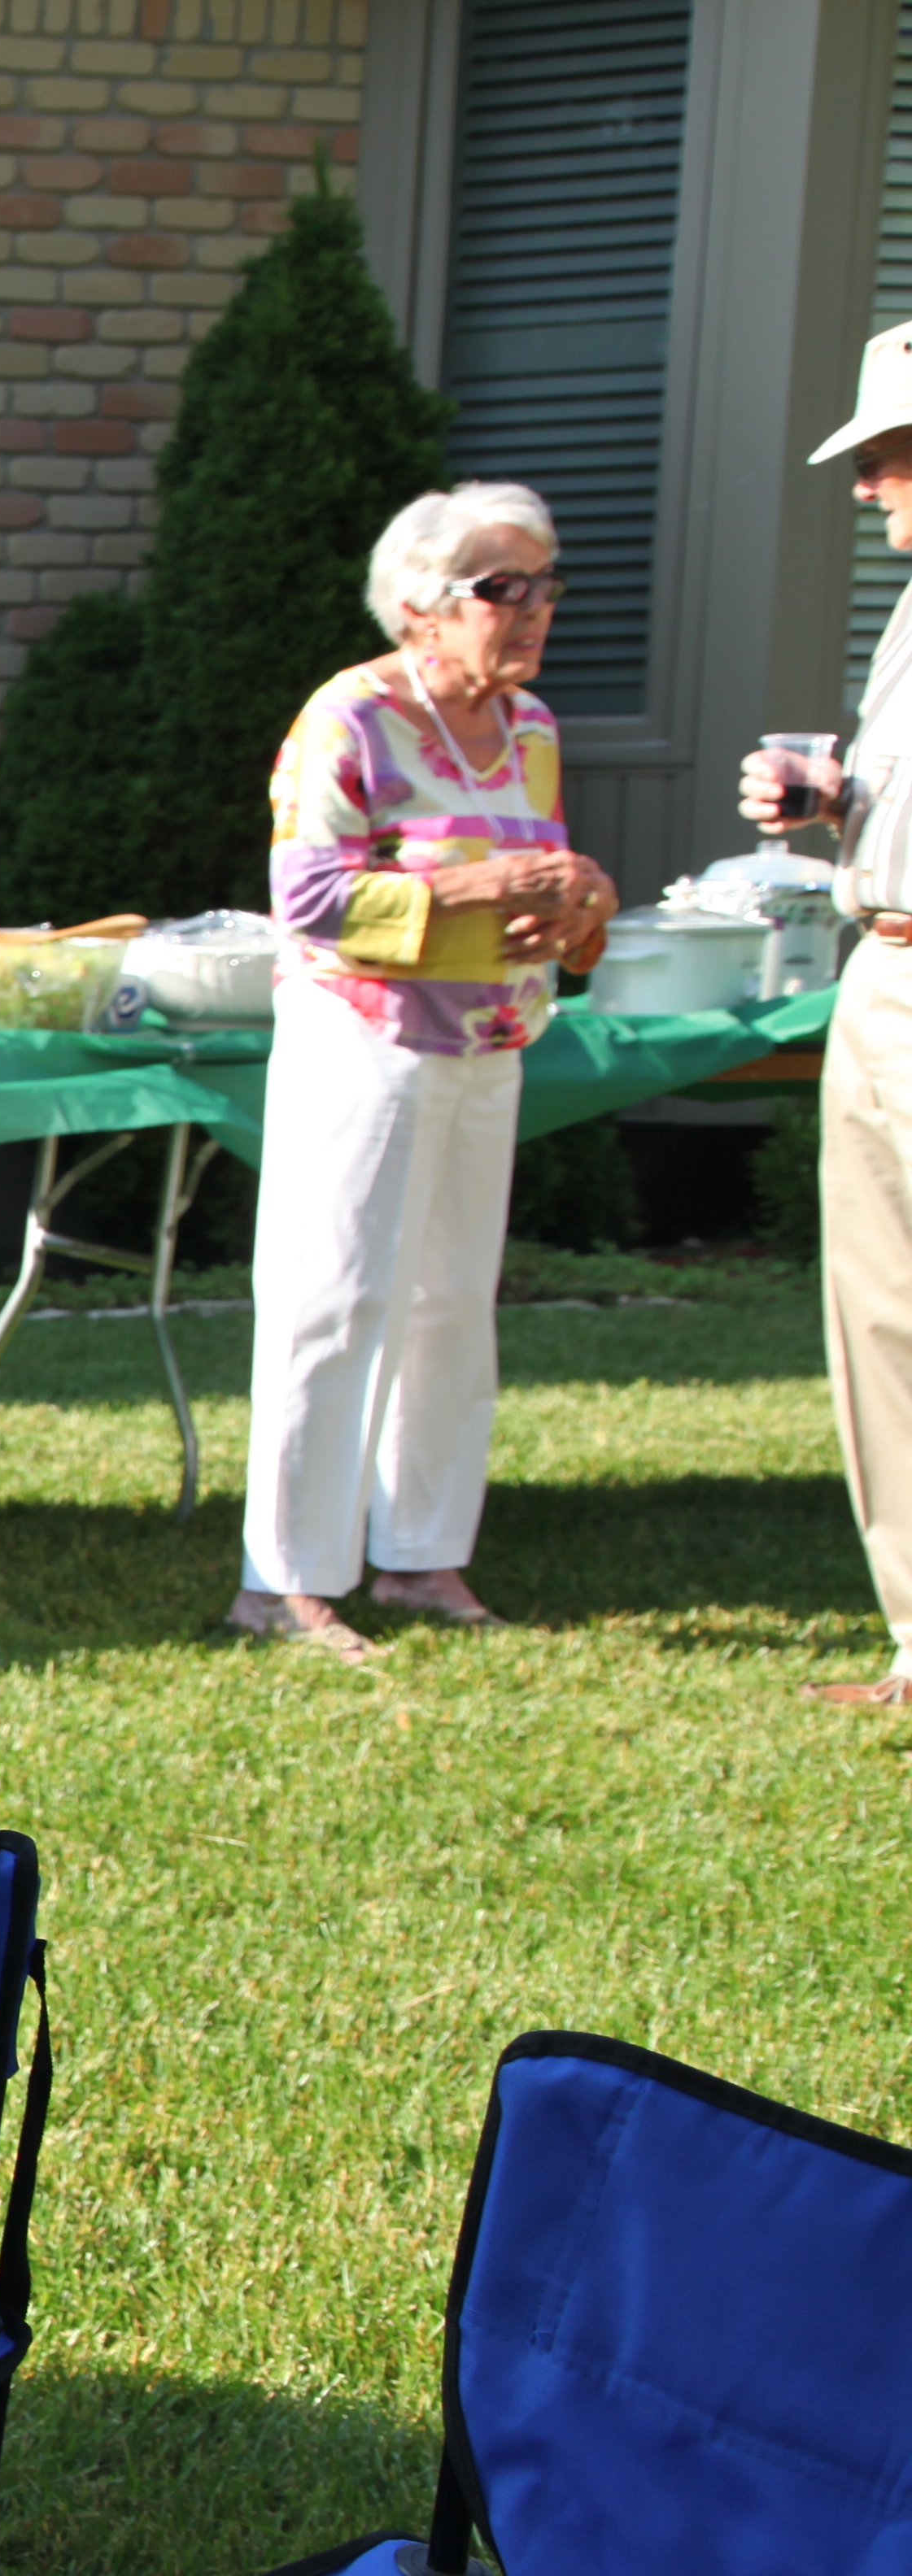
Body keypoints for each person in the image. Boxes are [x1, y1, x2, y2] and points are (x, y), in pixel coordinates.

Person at [231, 481, 621, 1660]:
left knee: (454, 1304)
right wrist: (471, 885)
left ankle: (423, 1557)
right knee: (331, 1298)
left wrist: (585, 899)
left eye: (546, 584)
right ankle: (283, 1582)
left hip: (487, 1042)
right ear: (419, 606)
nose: (535, 607)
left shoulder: (534, 728)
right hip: (363, 1039)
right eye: (505, 587)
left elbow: (547, 880)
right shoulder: (349, 717)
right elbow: (304, 898)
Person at [741, 321, 912, 1706]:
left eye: (887, 454)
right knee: (881, 1319)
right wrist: (831, 805)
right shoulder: (909, 606)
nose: (866, 486)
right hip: (879, 968)